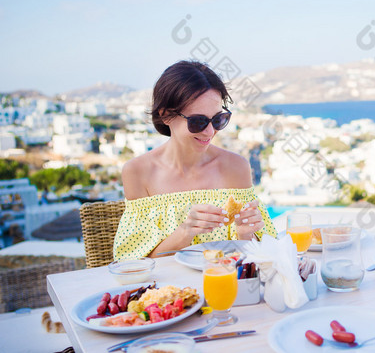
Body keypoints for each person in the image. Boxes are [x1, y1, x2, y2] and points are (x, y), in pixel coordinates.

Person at [113, 60, 277, 260]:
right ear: (165, 115)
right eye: (197, 121)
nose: (210, 132)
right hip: (169, 291)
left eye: (218, 119)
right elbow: (135, 263)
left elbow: (256, 258)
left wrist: (245, 234)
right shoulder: (138, 172)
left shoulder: (236, 167)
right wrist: (186, 231)